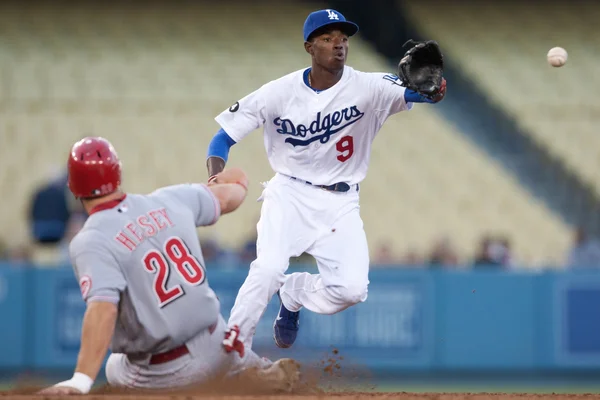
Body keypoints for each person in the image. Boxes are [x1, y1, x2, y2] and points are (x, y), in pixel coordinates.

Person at [205, 9, 446, 350]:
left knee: (352, 289)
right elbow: (222, 138)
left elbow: (421, 93)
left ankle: (295, 293)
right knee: (269, 268)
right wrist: (215, 175)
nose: (339, 45)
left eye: (343, 39)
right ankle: (233, 343)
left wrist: (434, 92)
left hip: (341, 202)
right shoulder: (278, 92)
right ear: (309, 47)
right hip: (289, 193)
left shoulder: (370, 86)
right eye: (328, 38)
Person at [39, 137, 300, 395]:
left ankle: (207, 386)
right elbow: (234, 192)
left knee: (115, 366)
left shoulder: (90, 239)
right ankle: (247, 372)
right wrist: (236, 179)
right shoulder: (170, 198)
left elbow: (103, 310)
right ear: (117, 174)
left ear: (73, 188)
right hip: (221, 343)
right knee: (227, 353)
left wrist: (80, 380)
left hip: (166, 369)